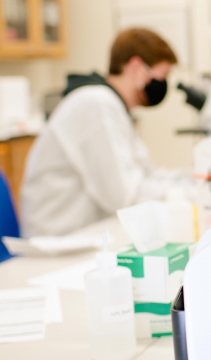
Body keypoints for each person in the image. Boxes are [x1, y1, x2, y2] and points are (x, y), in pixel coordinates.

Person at [21, 28, 188, 237]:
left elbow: (146, 173)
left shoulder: (113, 107)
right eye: (162, 75)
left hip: (86, 232)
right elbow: (124, 198)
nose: (163, 84)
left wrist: (191, 178)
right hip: (59, 240)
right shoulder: (97, 105)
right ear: (137, 68)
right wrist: (185, 193)